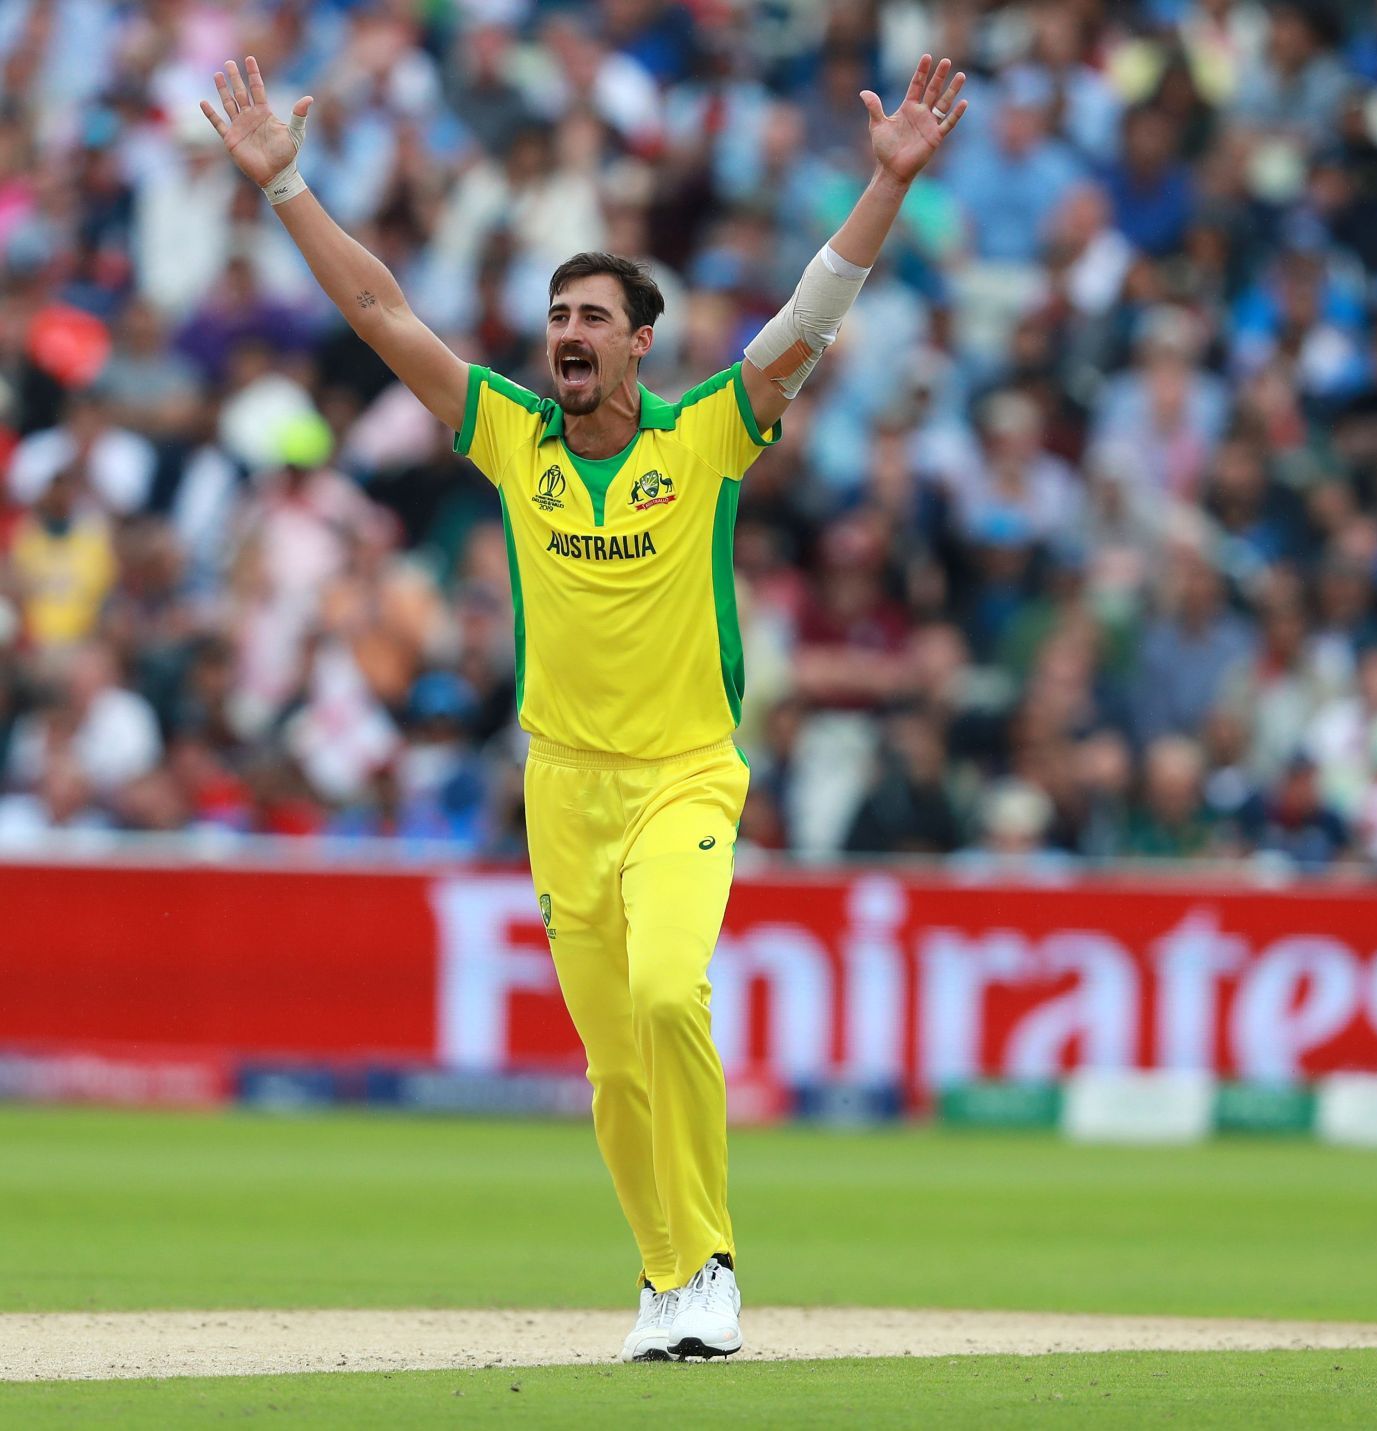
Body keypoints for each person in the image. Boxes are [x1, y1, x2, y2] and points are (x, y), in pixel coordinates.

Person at [201, 52, 968, 1362]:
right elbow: (385, 314)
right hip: (561, 788)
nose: (565, 332)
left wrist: (884, 185)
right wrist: (286, 187)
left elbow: (810, 315)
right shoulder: (510, 436)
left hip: (683, 773)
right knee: (613, 1061)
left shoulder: (708, 433)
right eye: (557, 314)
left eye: (591, 316)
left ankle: (713, 1262)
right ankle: (665, 1281)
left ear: (637, 340)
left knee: (672, 991)